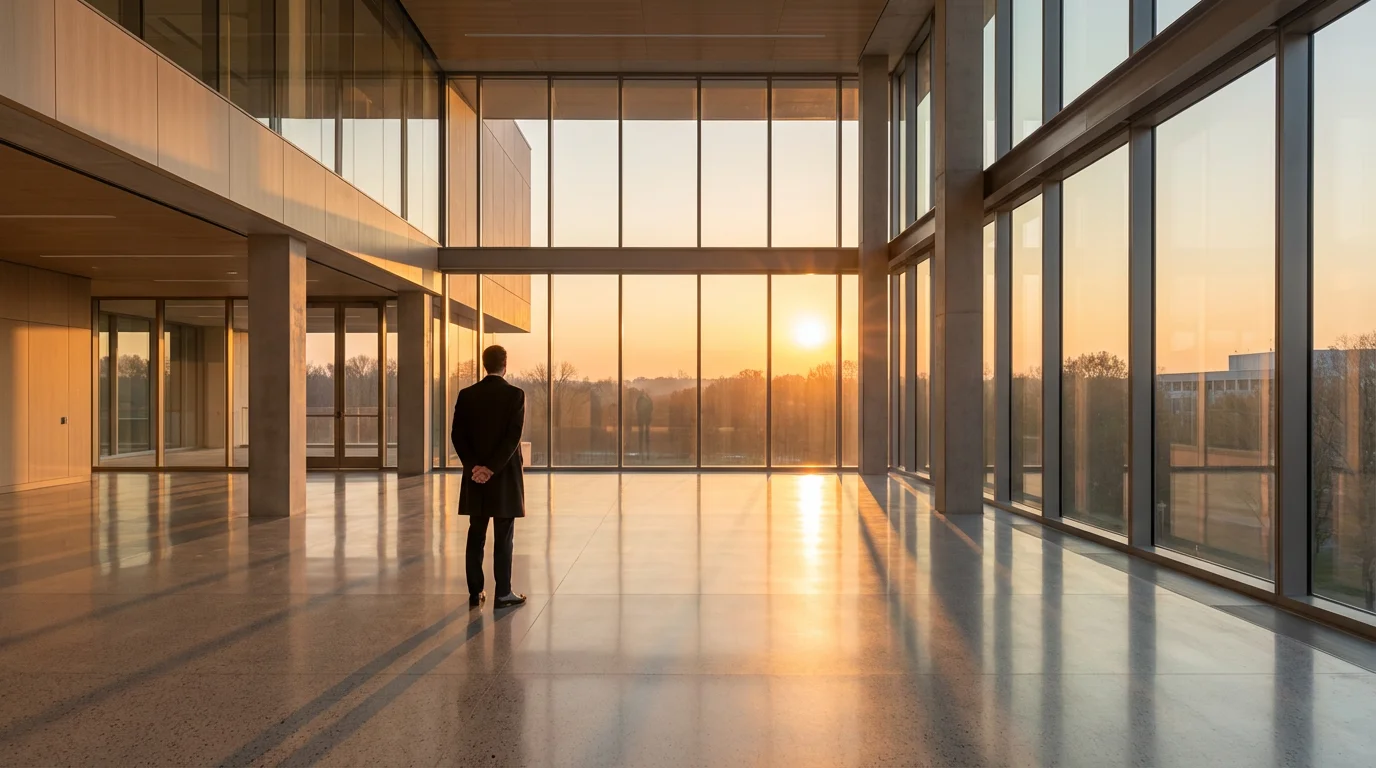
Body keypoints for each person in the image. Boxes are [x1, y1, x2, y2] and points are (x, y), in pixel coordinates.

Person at [451, 344, 527, 609]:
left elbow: (457, 436)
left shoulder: (467, 395)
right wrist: (492, 469)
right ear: (504, 365)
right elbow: (512, 438)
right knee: (504, 535)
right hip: (504, 477)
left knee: (476, 532)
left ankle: (475, 592)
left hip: (475, 479)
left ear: (485, 365)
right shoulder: (515, 395)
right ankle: (503, 593)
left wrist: (475, 467)